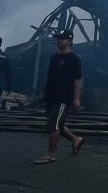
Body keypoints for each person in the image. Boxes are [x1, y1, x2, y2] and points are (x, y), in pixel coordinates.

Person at [35, 30, 84, 164]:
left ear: (69, 41)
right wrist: (44, 92)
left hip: (63, 97)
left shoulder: (74, 59)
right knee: (58, 124)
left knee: (53, 125)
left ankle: (51, 154)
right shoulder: (54, 57)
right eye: (58, 39)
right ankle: (76, 140)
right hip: (51, 95)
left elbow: (77, 80)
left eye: (62, 39)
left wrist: (76, 99)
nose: (59, 41)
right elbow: (50, 77)